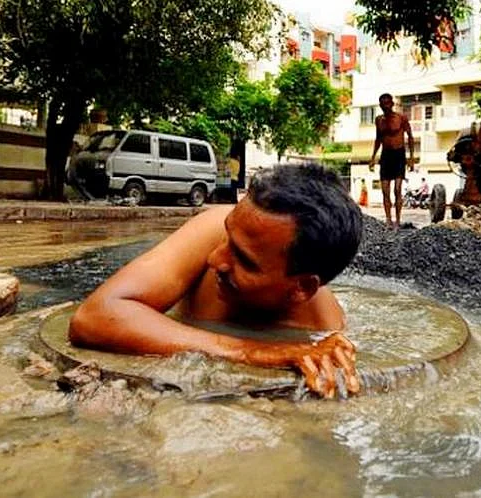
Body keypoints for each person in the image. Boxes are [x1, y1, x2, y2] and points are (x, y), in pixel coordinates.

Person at [68, 164, 364, 398]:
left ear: (301, 288)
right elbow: (93, 316)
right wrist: (250, 351)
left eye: (245, 261)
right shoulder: (210, 229)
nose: (214, 260)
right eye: (227, 236)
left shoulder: (322, 329)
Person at [369, 93, 415, 229]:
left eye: (388, 103)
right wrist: (372, 158)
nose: (386, 106)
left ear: (392, 104)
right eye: (383, 104)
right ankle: (388, 220)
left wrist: (411, 158)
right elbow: (378, 139)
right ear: (380, 105)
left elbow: (410, 137)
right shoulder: (379, 120)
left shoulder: (401, 118)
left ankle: (398, 220)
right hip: (386, 155)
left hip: (399, 154)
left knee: (397, 189)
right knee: (385, 190)